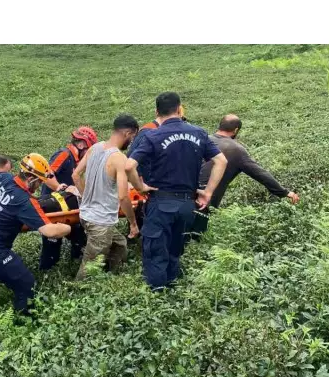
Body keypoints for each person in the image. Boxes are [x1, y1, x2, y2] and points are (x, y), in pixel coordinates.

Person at [127, 92, 228, 290]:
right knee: (175, 247)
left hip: (161, 203)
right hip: (186, 205)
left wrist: (140, 187)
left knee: (156, 250)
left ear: (156, 111)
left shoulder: (152, 135)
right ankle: (173, 289)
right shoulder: (198, 133)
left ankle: (158, 296)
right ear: (179, 109)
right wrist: (207, 192)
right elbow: (221, 161)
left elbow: (129, 166)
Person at [0, 154, 72, 316]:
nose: (38, 186)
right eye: (39, 182)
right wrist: (67, 227)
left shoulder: (2, 177)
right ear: (30, 178)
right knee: (26, 283)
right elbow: (49, 231)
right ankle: (23, 321)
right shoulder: (25, 201)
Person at [187, 114, 300, 239]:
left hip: (181, 193)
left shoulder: (202, 140)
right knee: (194, 238)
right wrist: (284, 192)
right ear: (236, 130)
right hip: (204, 201)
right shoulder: (236, 150)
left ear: (220, 126)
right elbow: (260, 174)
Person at [73, 115, 141, 280]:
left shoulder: (95, 147)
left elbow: (75, 175)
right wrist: (133, 223)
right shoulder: (119, 158)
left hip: (87, 215)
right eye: (133, 137)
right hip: (100, 222)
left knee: (120, 245)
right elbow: (123, 197)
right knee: (89, 267)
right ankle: (79, 291)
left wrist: (87, 197)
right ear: (126, 133)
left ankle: (113, 277)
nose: (131, 142)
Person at [38, 126, 98, 270]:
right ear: (82, 144)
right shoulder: (64, 154)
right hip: (53, 206)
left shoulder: (76, 161)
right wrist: (60, 187)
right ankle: (46, 273)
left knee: (80, 239)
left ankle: (76, 268)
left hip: (66, 206)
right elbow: (46, 174)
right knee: (52, 244)